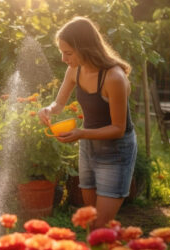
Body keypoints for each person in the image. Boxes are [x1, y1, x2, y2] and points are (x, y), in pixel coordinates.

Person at [38, 16, 137, 229]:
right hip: (89, 148)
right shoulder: (76, 69)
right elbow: (59, 103)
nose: (64, 59)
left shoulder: (114, 78)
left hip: (116, 152)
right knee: (93, 223)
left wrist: (81, 133)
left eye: (68, 53)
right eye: (62, 52)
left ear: (85, 48)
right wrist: (48, 109)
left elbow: (118, 129)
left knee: (101, 225)